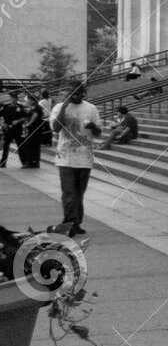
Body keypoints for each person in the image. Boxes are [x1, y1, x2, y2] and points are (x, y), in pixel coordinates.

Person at [49, 84, 102, 237]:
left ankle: (76, 223)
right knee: (69, 192)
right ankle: (69, 223)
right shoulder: (59, 107)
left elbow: (98, 133)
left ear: (84, 93)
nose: (77, 96)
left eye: (80, 93)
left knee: (79, 193)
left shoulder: (91, 108)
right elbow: (55, 128)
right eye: (73, 93)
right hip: (65, 157)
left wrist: (93, 127)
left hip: (85, 157)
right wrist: (65, 106)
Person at [14, 93, 45, 168]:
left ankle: (33, 162)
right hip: (32, 129)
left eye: (27, 100)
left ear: (32, 101)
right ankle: (32, 162)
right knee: (31, 145)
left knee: (32, 145)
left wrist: (28, 124)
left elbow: (35, 116)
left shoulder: (37, 108)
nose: (26, 101)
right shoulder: (32, 107)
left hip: (35, 130)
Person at [0, 91, 24, 167]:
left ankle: (24, 162)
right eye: (12, 98)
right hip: (8, 129)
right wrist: (2, 123)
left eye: (14, 98)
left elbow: (25, 117)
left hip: (17, 129)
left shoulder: (20, 107)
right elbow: (0, 115)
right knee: (5, 147)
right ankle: (3, 163)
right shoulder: (6, 106)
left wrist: (18, 121)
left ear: (16, 99)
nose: (13, 99)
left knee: (20, 146)